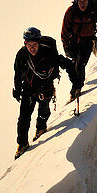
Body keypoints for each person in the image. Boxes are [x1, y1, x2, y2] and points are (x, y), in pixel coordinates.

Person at [12, 26, 70, 158]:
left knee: (44, 111)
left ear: (39, 43)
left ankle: (41, 127)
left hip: (45, 87)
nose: (32, 48)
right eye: (29, 45)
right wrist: (17, 89)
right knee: (24, 117)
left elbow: (62, 63)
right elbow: (17, 72)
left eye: (34, 45)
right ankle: (22, 143)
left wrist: (76, 79)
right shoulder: (21, 55)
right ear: (25, 43)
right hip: (28, 89)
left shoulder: (48, 52)